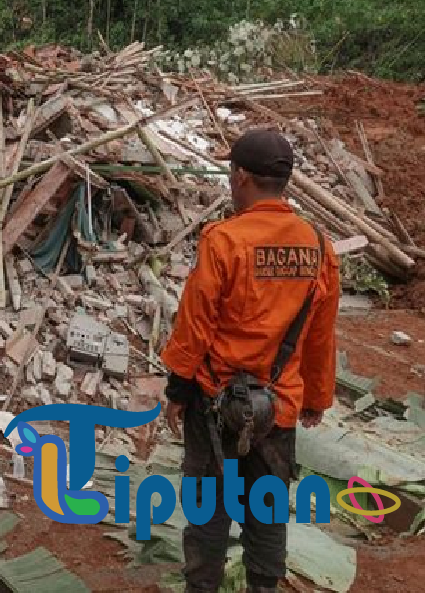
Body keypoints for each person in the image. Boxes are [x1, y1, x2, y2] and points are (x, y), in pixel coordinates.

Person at [160, 128, 340, 593]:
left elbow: (194, 325)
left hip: (215, 401)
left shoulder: (224, 241)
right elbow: (321, 333)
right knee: (267, 508)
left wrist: (177, 390)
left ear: (240, 176)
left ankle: (203, 587)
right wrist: (316, 398)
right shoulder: (317, 246)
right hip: (278, 405)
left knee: (208, 507)